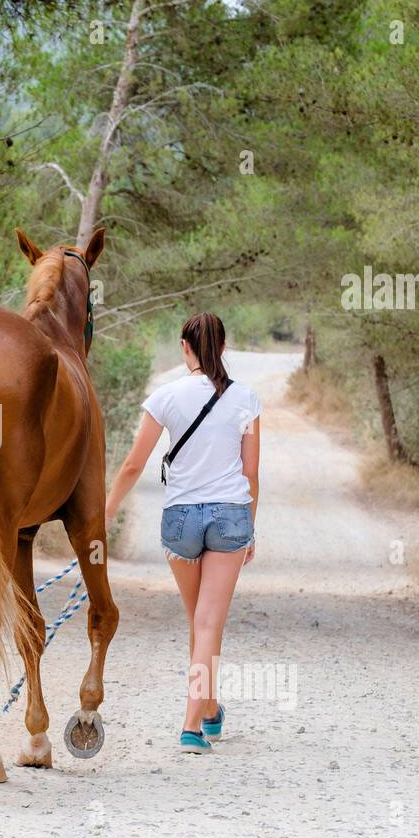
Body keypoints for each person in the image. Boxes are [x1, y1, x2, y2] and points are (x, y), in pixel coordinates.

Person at [104, 312, 260, 753]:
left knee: (199, 622)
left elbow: (134, 464)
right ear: (224, 349)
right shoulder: (246, 399)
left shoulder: (166, 396)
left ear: (184, 348)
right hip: (230, 515)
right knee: (208, 623)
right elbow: (251, 473)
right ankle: (193, 727)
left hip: (180, 521)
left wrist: (106, 513)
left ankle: (209, 711)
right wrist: (251, 526)